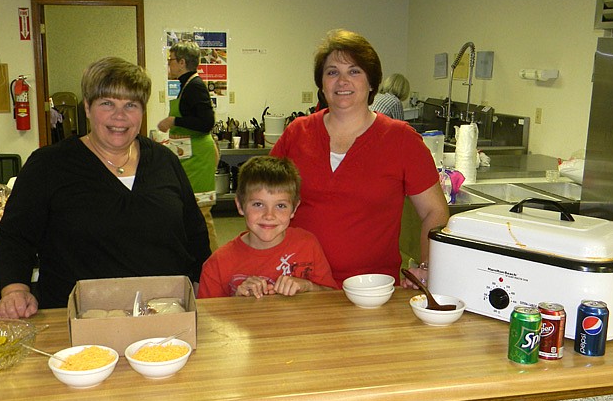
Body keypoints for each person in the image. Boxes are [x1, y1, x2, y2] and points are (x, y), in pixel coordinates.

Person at [0, 57, 211, 319]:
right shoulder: (49, 165)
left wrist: (201, 284)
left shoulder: (164, 161)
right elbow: (14, 237)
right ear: (87, 107)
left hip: (164, 314)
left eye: (131, 105)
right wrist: (15, 290)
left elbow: (195, 233)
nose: (120, 116)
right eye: (107, 103)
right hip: (79, 319)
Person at [270, 29, 449, 289]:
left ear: (372, 82)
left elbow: (435, 210)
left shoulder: (401, 140)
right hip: (297, 284)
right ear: (322, 83)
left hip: (371, 289)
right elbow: (262, 201)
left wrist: (428, 267)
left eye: (354, 71)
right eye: (332, 72)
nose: (342, 81)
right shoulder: (297, 133)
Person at [198, 156, 337, 299]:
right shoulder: (217, 265)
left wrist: (307, 286)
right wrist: (236, 302)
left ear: (294, 209)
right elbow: (206, 317)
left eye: (280, 206)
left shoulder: (308, 244)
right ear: (240, 205)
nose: (269, 215)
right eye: (258, 204)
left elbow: (332, 297)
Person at [157, 41, 219, 252]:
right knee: (191, 211)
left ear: (182, 62)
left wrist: (174, 121)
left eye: (171, 60)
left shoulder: (196, 86)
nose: (169, 66)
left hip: (199, 158)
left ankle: (214, 263)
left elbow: (205, 123)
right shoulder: (187, 85)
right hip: (189, 156)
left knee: (203, 213)